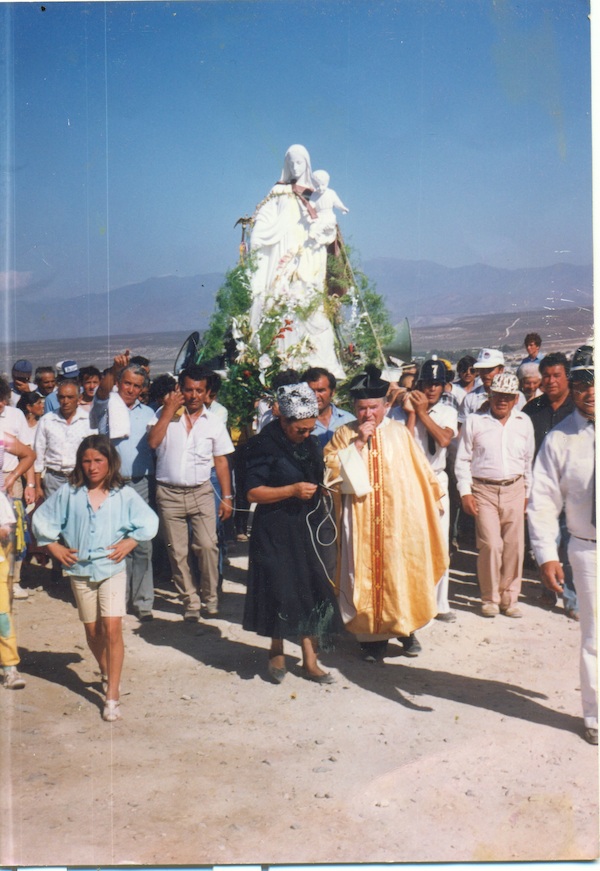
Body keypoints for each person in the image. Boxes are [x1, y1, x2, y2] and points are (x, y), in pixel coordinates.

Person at [323, 365, 448, 661]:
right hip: (360, 517)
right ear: (354, 407)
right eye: (362, 408)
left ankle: (406, 630)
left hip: (398, 519)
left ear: (384, 405)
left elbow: (419, 471)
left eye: (374, 408)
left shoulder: (398, 433)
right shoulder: (344, 434)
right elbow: (332, 473)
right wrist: (358, 444)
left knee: (400, 570)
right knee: (362, 572)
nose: (368, 415)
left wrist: (432, 501)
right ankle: (371, 638)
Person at [32, 435, 158, 722]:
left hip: (112, 568)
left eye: (98, 460)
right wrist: (53, 546)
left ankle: (112, 695)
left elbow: (149, 521)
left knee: (113, 628)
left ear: (110, 462)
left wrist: (131, 541)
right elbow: (42, 520)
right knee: (93, 632)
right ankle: (105, 669)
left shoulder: (123, 493)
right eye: (86, 461)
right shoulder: (69, 492)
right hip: (79, 571)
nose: (92, 467)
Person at [243, 382, 340, 683]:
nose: (306, 435)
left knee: (310, 587)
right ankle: (276, 648)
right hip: (272, 528)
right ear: (284, 421)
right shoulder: (262, 446)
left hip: (304, 526)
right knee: (278, 588)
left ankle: (310, 658)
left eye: (310, 429)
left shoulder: (307, 443)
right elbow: (253, 493)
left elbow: (314, 476)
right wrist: (292, 490)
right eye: (300, 430)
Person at [527, 346, 596, 745]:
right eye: (584, 384)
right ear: (574, 388)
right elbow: (543, 502)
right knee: (595, 637)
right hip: (588, 551)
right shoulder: (559, 440)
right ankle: (595, 716)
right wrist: (547, 554)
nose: (591, 392)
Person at [248, 144, 344, 378]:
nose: (295, 167)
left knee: (311, 304)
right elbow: (266, 214)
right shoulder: (279, 191)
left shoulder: (318, 193)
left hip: (310, 252)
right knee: (284, 302)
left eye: (299, 162)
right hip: (284, 251)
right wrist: (259, 228)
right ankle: (285, 360)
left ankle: (316, 360)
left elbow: (328, 217)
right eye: (291, 163)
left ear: (307, 164)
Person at [147, 365, 234, 621]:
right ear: (179, 390)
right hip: (169, 493)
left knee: (208, 546)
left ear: (207, 393)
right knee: (177, 551)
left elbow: (221, 461)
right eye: (188, 390)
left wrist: (227, 498)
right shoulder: (163, 415)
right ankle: (190, 601)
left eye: (199, 390)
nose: (193, 395)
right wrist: (169, 411)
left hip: (202, 492)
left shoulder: (214, 423)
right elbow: (153, 442)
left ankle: (210, 597)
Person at [455, 373, 535, 618]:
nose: (503, 401)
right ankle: (489, 598)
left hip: (515, 488)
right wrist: (465, 492)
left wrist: (527, 495)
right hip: (484, 490)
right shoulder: (474, 421)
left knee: (514, 547)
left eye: (508, 397)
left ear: (515, 399)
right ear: (490, 395)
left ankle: (509, 599)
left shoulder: (524, 422)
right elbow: (462, 460)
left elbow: (528, 462)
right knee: (491, 545)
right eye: (498, 395)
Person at [390, 357, 458, 621]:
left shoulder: (447, 411)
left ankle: (440, 603)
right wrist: (410, 413)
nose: (431, 390)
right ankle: (413, 599)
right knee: (411, 539)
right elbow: (400, 443)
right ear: (418, 383)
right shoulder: (400, 412)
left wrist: (421, 413)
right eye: (427, 383)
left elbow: (442, 439)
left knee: (440, 539)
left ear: (443, 387)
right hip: (409, 479)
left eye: (437, 384)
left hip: (436, 478)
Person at [91, 353, 156, 621]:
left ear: (143, 389)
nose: (130, 389)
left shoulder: (149, 413)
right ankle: (119, 600)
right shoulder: (105, 406)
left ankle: (143, 603)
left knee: (141, 543)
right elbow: (103, 391)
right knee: (114, 542)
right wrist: (114, 370)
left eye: (136, 386)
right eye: (126, 383)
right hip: (112, 485)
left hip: (140, 484)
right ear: (119, 382)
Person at [523, 352, 578, 618]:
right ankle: (548, 588)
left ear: (567, 376)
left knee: (570, 546)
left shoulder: (579, 410)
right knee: (544, 542)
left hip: (574, 491)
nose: (551, 381)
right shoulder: (532, 410)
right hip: (542, 489)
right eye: (546, 376)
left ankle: (573, 599)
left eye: (557, 375)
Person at [34, 379, 95, 501]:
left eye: (70, 397)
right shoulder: (47, 420)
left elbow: (94, 452)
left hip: (80, 477)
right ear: (57, 398)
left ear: (79, 398)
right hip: (53, 479)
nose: (65, 401)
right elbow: (38, 455)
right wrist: (37, 486)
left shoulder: (89, 421)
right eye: (62, 397)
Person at [302, 366, 355, 448]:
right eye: (310, 391)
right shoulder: (300, 425)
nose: (315, 396)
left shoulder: (349, 420)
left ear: (333, 392)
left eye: (321, 390)